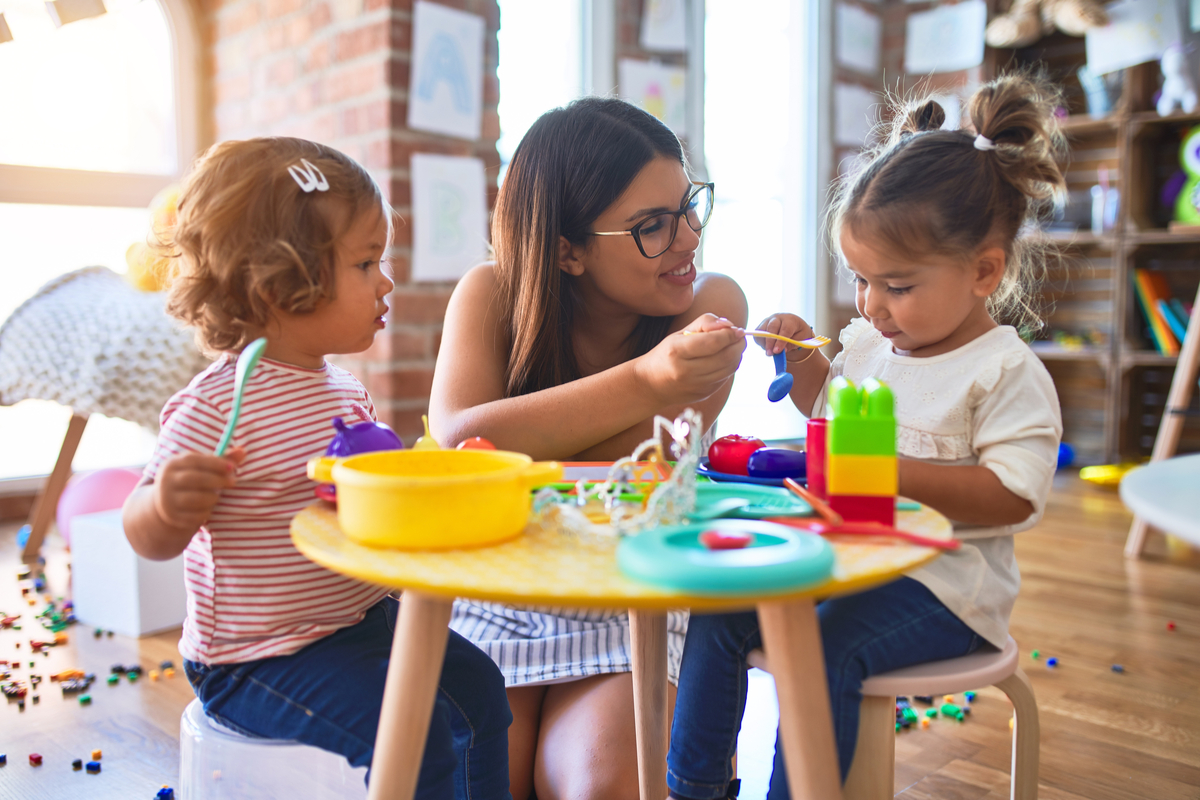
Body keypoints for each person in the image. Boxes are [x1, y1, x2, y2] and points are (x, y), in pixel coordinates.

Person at [665, 73, 1066, 799]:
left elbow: (1014, 497)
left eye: (898, 286)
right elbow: (831, 417)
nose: (873, 307)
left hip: (945, 589)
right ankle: (693, 789)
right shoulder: (871, 345)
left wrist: (883, 471)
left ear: (984, 270)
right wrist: (805, 362)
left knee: (824, 649)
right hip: (845, 560)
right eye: (861, 281)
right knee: (717, 608)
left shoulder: (1003, 370)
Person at [121, 137, 512, 799]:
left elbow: (364, 495)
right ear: (283, 283)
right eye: (366, 263)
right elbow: (145, 534)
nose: (386, 280)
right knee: (411, 742)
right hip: (258, 658)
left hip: (360, 623)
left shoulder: (342, 388)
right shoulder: (216, 404)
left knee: (480, 691)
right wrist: (165, 507)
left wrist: (425, 479)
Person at [429, 97, 748, 800]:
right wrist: (645, 379)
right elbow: (460, 443)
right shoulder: (488, 295)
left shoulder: (710, 307)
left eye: (689, 206)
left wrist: (520, 440)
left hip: (633, 595)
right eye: (652, 226)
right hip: (496, 589)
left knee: (599, 786)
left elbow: (639, 469)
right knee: (474, 784)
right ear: (566, 249)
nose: (688, 237)